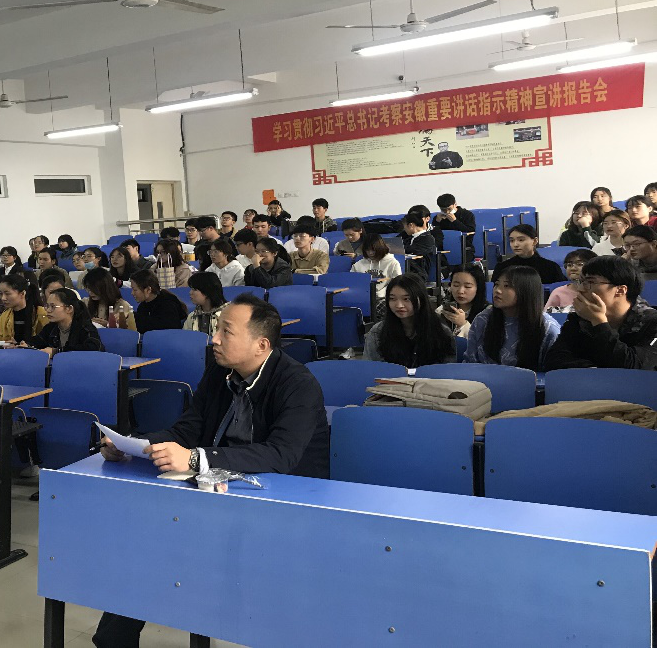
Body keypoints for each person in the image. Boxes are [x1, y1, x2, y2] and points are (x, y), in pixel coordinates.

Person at [92, 294, 330, 648]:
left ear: (261, 345)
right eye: (216, 329)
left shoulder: (298, 384)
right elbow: (187, 429)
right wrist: (135, 445)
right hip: (219, 486)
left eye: (226, 331)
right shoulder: (220, 372)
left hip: (281, 499)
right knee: (147, 538)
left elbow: (282, 455)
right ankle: (113, 641)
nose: (214, 339)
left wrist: (193, 459)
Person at [544, 256, 657, 370]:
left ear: (620, 290)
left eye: (590, 282)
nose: (581, 289)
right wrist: (593, 371)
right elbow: (554, 359)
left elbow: (636, 367)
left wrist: (599, 322)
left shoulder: (652, 322)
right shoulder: (581, 318)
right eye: (581, 282)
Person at [464, 267, 559, 371]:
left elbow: (553, 374)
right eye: (497, 284)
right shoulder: (483, 319)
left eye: (507, 286)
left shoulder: (548, 329)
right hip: (482, 380)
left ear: (526, 291)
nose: (497, 290)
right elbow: (470, 363)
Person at [363, 275, 456, 366]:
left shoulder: (441, 332)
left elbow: (447, 370)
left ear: (421, 299)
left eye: (406, 299)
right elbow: (371, 369)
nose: (399, 305)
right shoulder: (378, 332)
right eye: (392, 299)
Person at [22, 289, 104, 354]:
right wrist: (26, 345)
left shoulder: (85, 328)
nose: (48, 310)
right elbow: (37, 341)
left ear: (69, 309)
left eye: (53, 306)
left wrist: (57, 351)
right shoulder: (50, 328)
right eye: (47, 306)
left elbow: (93, 348)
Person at [0, 273, 47, 348]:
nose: (3, 298)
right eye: (1, 294)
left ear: (22, 294)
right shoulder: (5, 316)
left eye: (7, 294)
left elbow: (46, 343)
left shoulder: (41, 314)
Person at [491, 225, 567, 285]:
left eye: (521, 240)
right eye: (512, 240)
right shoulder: (502, 267)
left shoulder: (550, 267)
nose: (515, 244)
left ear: (535, 241)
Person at [350, 233, 402, 308]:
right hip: (363, 297)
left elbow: (397, 284)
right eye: (368, 250)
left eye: (373, 250)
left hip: (384, 297)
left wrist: (381, 294)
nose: (370, 253)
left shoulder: (392, 263)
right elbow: (352, 284)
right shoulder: (357, 265)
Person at [437, 266, 488, 338]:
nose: (460, 291)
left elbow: (484, 341)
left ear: (478, 288)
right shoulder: (441, 311)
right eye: (456, 285)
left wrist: (463, 324)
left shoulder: (488, 313)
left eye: (467, 286)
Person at [544, 248, 598, 312]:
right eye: (569, 265)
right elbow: (547, 316)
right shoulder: (558, 292)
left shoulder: (600, 291)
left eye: (580, 264)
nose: (573, 268)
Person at [432, 194, 477, 264]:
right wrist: (437, 222)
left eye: (449, 209)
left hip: (464, 247)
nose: (447, 212)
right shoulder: (438, 217)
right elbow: (434, 234)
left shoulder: (467, 215)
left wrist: (455, 221)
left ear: (455, 204)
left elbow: (470, 232)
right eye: (443, 210)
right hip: (443, 248)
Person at [400, 213, 438, 280]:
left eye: (405, 226)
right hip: (410, 268)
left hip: (420, 271)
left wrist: (399, 249)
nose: (404, 229)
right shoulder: (409, 237)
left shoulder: (427, 238)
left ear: (411, 225)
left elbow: (414, 250)